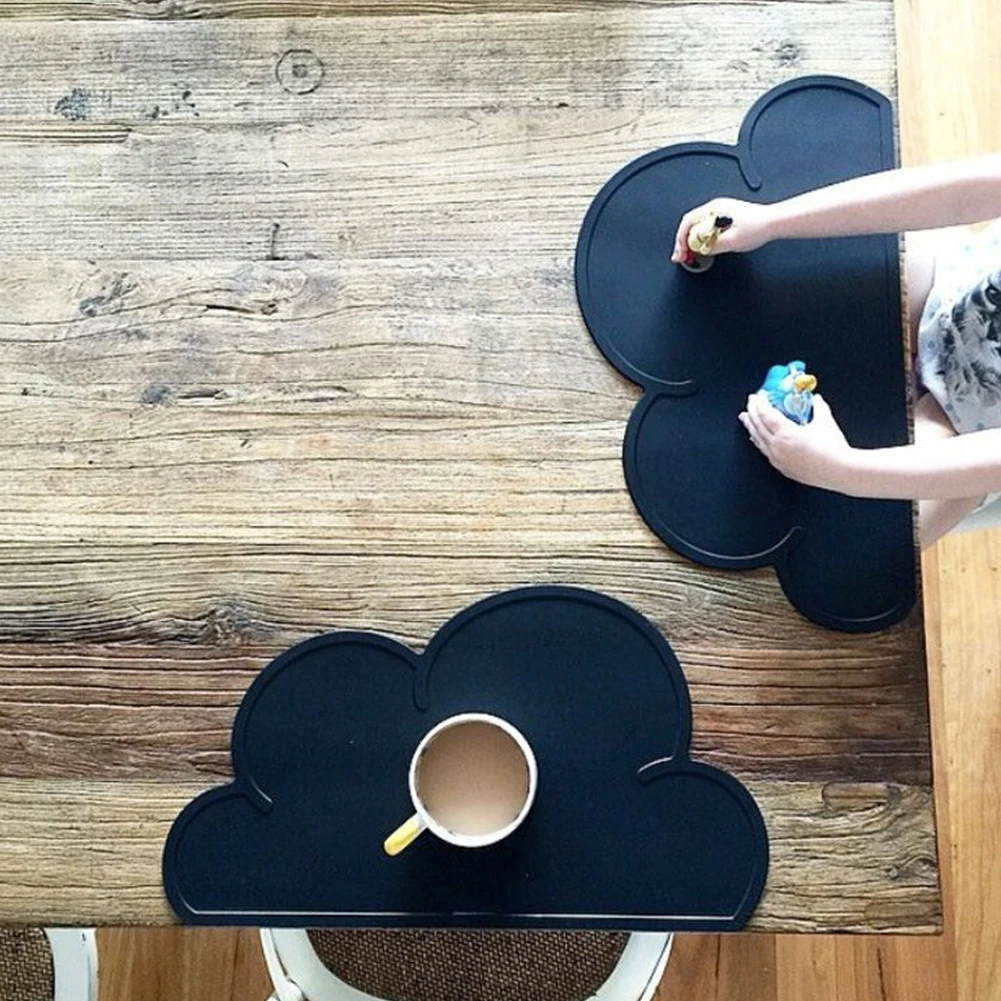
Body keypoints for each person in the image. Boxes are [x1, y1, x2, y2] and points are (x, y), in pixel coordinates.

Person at [672, 155, 1001, 546]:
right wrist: (771, 220)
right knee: (796, 269)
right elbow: (959, 193)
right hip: (945, 286)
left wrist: (842, 470)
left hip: (967, 431)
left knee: (857, 554)